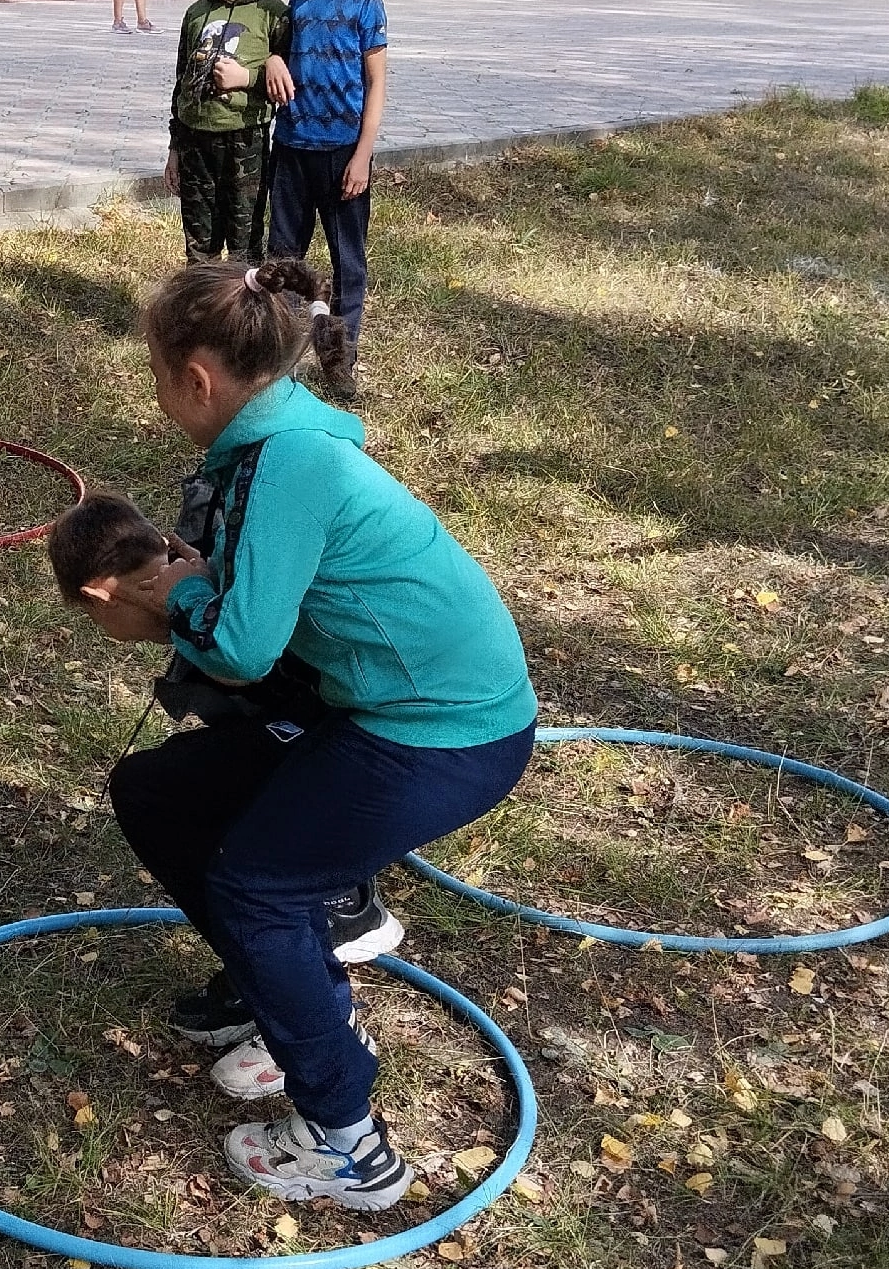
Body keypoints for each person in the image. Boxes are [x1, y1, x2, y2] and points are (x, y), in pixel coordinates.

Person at [59, 258, 537, 1211]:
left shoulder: (292, 461)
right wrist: (204, 576)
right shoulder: (266, 446)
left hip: (444, 730)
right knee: (157, 791)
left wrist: (180, 592)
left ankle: (347, 1140)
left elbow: (239, 646)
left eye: (158, 379)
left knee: (258, 883)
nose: (159, 399)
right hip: (367, 705)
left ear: (196, 379)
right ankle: (276, 993)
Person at [260, 0, 388, 374]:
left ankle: (339, 357)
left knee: (347, 262)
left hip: (341, 155)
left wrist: (363, 155)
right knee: (285, 256)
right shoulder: (297, 0)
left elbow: (377, 83)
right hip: (291, 147)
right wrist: (274, 58)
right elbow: (279, 53)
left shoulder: (365, 5)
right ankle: (283, 354)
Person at [164, 0, 288, 263]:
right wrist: (175, 148)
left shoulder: (273, 14)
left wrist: (250, 76)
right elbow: (181, 86)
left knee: (244, 246)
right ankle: (200, 314)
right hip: (195, 142)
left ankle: (240, 317)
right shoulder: (196, 14)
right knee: (199, 246)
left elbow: (290, 80)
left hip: (244, 140)